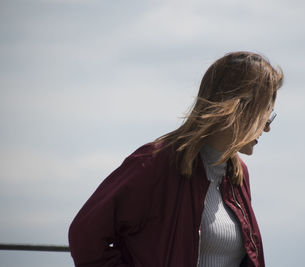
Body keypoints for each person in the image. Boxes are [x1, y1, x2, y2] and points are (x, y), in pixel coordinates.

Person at [68, 51, 284, 267]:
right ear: (240, 107)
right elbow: (85, 236)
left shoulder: (238, 174)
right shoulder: (155, 162)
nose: (267, 128)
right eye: (267, 113)